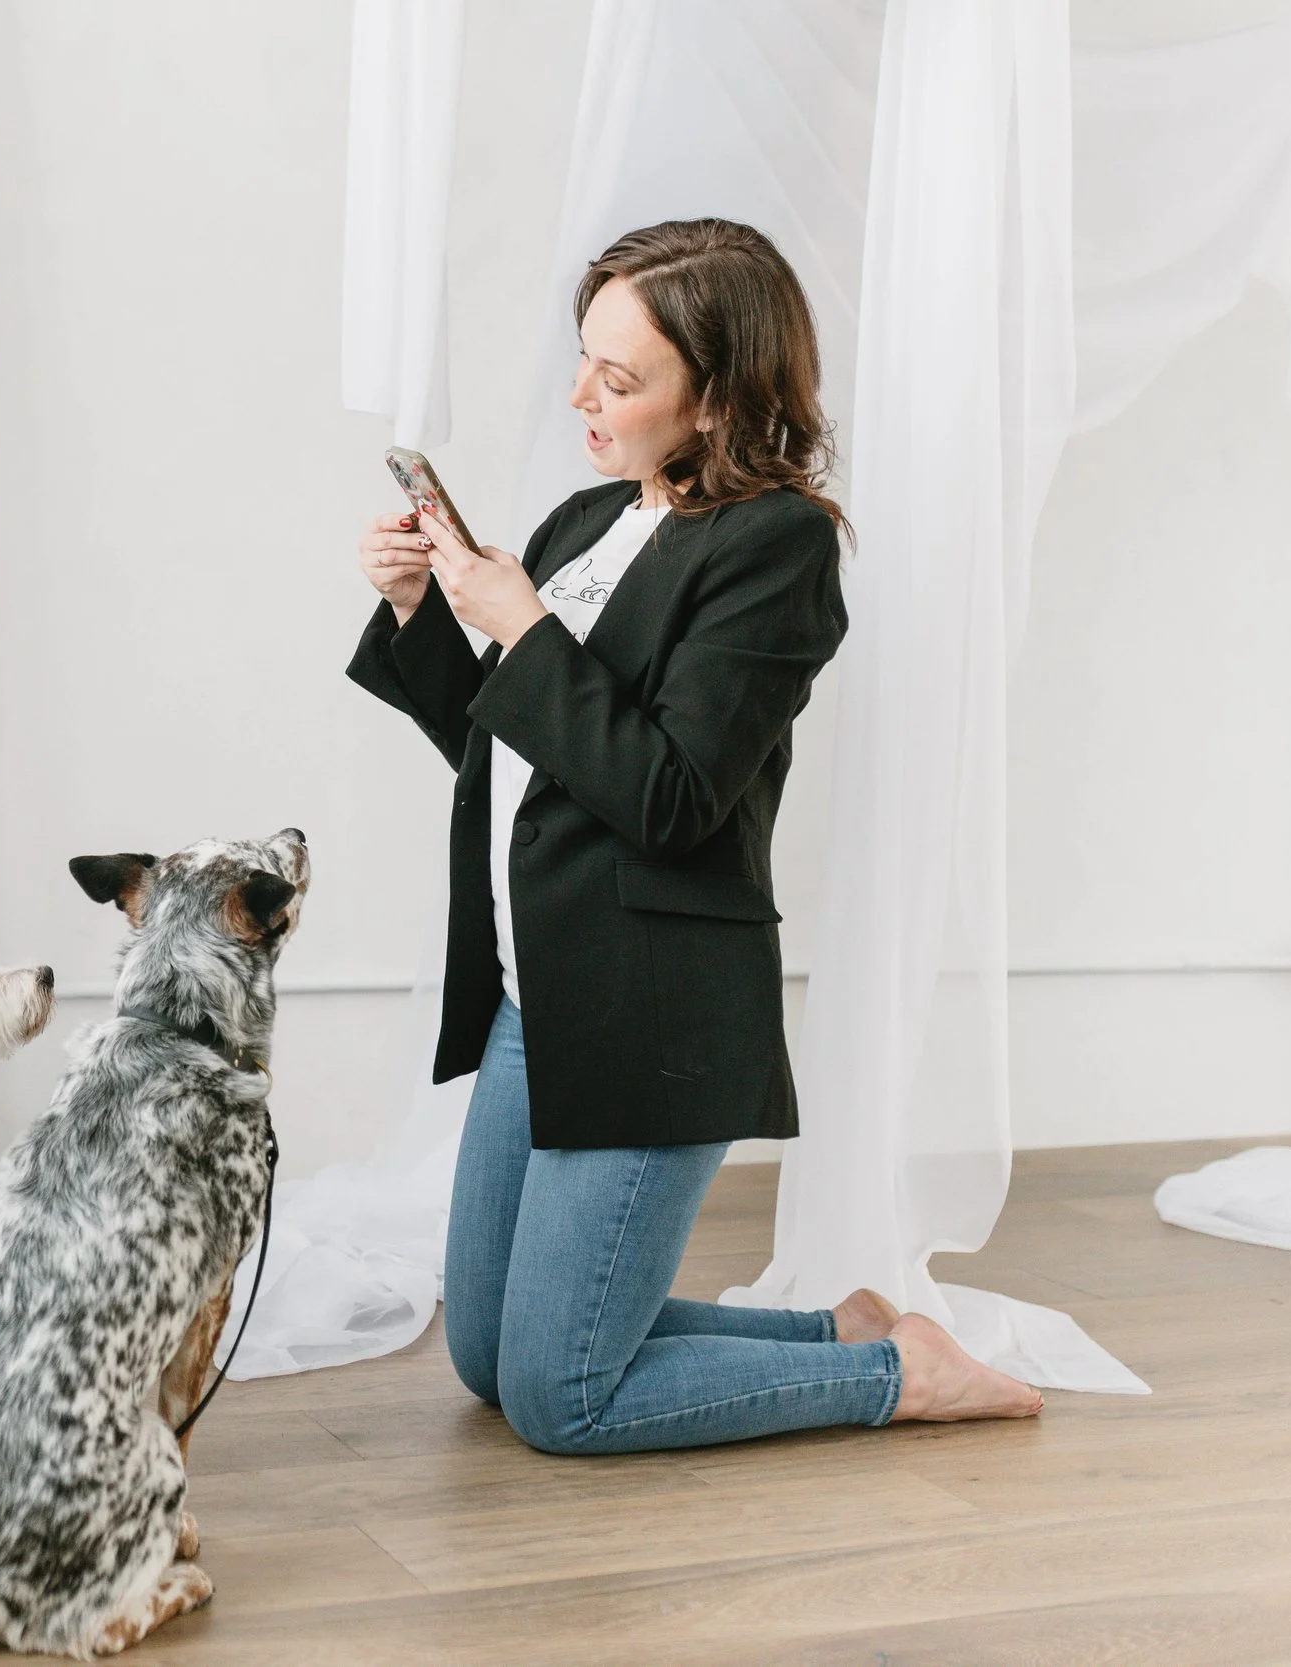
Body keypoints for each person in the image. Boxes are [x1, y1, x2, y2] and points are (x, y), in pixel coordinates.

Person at [349, 219, 1042, 1454]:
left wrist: (522, 631)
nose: (583, 397)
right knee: (484, 1356)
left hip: (651, 1004)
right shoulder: (581, 520)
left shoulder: (778, 547)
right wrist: (422, 612)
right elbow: (512, 749)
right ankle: (843, 1329)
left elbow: (669, 794)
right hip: (535, 993)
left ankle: (898, 1375)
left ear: (716, 396)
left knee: (561, 1400)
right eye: (584, 363)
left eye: (620, 380)